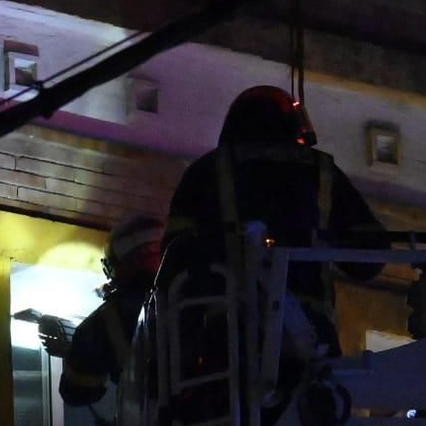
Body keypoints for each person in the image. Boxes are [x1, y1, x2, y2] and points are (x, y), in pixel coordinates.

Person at [159, 85, 384, 359]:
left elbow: (175, 264)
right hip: (314, 341)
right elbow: (370, 260)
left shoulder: (205, 172)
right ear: (291, 124)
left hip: (227, 342)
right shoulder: (324, 172)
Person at [39, 214, 164, 409]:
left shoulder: (104, 321)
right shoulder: (195, 290)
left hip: (154, 418)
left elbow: (77, 393)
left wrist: (71, 352)